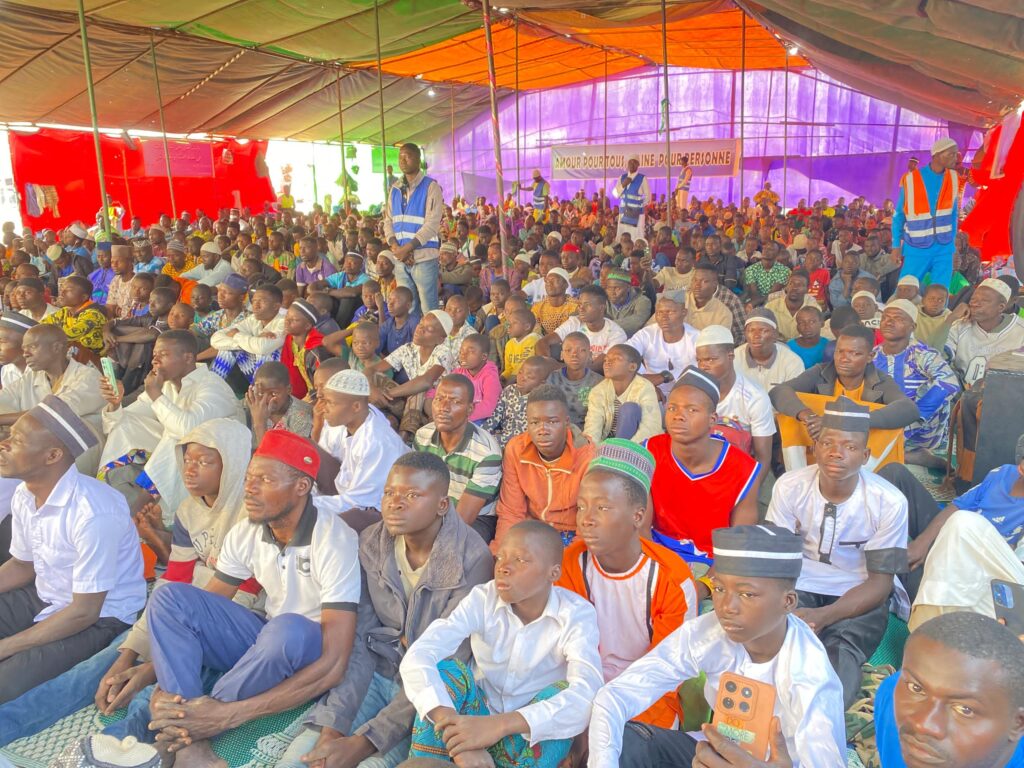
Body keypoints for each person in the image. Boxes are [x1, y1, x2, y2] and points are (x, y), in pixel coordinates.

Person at [144, 430, 360, 767]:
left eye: (265, 480)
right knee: (169, 598)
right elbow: (201, 614)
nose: (249, 488)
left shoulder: (334, 539)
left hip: (307, 651)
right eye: (248, 478)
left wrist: (228, 714)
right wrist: (155, 668)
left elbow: (334, 665)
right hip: (266, 641)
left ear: (301, 486)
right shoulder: (248, 531)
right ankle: (189, 736)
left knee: (287, 629)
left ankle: (194, 724)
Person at [279, 452, 494, 768]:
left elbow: (446, 664)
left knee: (369, 764)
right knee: (303, 756)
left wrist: (364, 743)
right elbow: (359, 640)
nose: (395, 503)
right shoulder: (372, 543)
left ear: (442, 505)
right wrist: (333, 729)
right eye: (389, 492)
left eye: (412, 495)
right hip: (375, 674)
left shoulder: (472, 559)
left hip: (427, 699)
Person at [588, 524, 847, 768]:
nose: (726, 607)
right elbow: (615, 697)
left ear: (788, 602)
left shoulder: (809, 675)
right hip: (715, 752)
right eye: (720, 589)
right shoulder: (709, 632)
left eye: (747, 594)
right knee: (628, 741)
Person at [400, 520, 604, 768]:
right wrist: (459, 734)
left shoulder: (576, 614)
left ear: (553, 573)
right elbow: (419, 655)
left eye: (520, 560)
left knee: (563, 694)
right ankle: (431, 762)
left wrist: (498, 726)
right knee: (447, 671)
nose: (503, 567)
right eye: (500, 557)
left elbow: (587, 693)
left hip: (526, 737)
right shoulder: (482, 599)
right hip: (474, 720)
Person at [0, 395, 145, 704]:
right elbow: (22, 565)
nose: (4, 445)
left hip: (99, 618)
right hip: (46, 595)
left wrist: (7, 646)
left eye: (17, 440)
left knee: (6, 685)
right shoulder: (24, 495)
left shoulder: (93, 512)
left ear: (52, 456)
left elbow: (83, 611)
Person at [767, 396, 908, 708]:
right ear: (815, 447)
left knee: (841, 652)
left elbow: (880, 583)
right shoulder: (789, 486)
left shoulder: (889, 501)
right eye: (828, 443)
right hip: (799, 583)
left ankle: (824, 724)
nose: (836, 453)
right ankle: (767, 718)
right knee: (779, 642)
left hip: (859, 591)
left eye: (850, 446)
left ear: (865, 456)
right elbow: (778, 560)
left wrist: (823, 617)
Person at [559, 439, 697, 736]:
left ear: (638, 516)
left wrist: (605, 722)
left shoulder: (671, 580)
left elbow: (665, 675)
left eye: (603, 507)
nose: (586, 520)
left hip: (646, 705)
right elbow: (564, 649)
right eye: (581, 506)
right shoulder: (570, 563)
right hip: (580, 690)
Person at [100, 330, 244, 517]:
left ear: (188, 358)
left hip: (219, 458)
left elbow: (187, 428)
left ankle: (139, 508)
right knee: (125, 424)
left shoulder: (211, 386)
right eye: (154, 355)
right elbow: (126, 418)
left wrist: (155, 394)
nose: (155, 361)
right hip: (180, 452)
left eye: (163, 354)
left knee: (178, 438)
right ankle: (112, 488)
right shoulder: (166, 385)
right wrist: (115, 403)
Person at [874, 612, 1024, 768]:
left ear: (1018, 724)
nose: (922, 725)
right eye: (916, 688)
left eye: (965, 709)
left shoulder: (891, 690)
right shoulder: (891, 692)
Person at [645, 367, 761, 567]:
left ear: (712, 420)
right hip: (657, 555)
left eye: (692, 410)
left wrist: (705, 582)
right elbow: (640, 527)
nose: (678, 416)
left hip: (714, 563)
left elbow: (739, 543)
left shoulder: (744, 469)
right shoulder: (650, 451)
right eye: (672, 408)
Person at [907, 435, 1024, 628]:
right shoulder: (1002, 474)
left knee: (964, 523)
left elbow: (1013, 580)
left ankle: (931, 626)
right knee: (896, 473)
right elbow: (958, 506)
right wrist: (922, 543)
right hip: (951, 549)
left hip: (983, 582)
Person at [771, 324, 920, 469]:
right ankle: (797, 472)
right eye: (840, 351)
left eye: (854, 353)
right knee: (792, 410)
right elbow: (778, 391)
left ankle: (861, 477)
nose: (844, 358)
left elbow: (909, 409)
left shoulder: (880, 381)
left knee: (889, 421)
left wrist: (840, 421)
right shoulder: (821, 372)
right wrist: (809, 416)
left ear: (870, 357)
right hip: (821, 446)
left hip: (859, 453)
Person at [494, 385, 596, 549]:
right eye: (535, 422)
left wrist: (573, 558)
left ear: (566, 423)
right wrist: (502, 551)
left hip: (571, 533)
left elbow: (588, 522)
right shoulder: (516, 449)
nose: (542, 430)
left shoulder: (588, 458)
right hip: (532, 529)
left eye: (552, 422)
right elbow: (511, 511)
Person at [0, 323, 105, 473]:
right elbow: (4, 398)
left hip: (81, 452)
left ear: (56, 347)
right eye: (24, 349)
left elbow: (53, 413)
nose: (25, 354)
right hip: (39, 450)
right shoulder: (31, 378)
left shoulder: (88, 377)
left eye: (32, 347)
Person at [316, 369, 410, 533]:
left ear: (356, 406)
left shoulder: (377, 442)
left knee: (337, 524)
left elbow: (358, 502)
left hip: (377, 508)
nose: (323, 408)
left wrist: (307, 504)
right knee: (306, 450)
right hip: (349, 489)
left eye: (331, 403)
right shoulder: (353, 417)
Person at [414, 374, 503, 543]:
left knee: (453, 546)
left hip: (477, 518)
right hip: (434, 508)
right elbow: (417, 487)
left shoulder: (486, 452)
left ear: (470, 409)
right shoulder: (423, 436)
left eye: (455, 402)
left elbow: (463, 518)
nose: (443, 408)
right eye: (439, 399)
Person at [873, 300, 959, 469]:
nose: (889, 322)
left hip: (921, 429)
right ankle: (910, 457)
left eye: (898, 318)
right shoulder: (873, 356)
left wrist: (913, 417)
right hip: (885, 425)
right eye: (885, 317)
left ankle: (902, 452)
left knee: (938, 389)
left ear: (913, 326)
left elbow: (949, 382)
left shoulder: (922, 354)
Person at [694, 325, 775, 469]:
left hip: (739, 466)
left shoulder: (755, 397)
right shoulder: (693, 392)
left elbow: (763, 457)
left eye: (711, 359)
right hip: (698, 463)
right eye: (699, 360)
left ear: (730, 356)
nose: (703, 366)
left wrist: (750, 484)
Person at [893, 137, 961, 290]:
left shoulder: (954, 178)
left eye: (956, 154)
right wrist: (896, 245)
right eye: (951, 154)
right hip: (916, 247)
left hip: (944, 247)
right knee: (906, 290)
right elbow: (899, 215)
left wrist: (952, 244)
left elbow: (953, 215)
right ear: (936, 155)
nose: (955, 158)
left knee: (941, 292)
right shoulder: (910, 179)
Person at [384, 143, 443, 315]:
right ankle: (414, 334)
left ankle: (433, 334)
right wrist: (395, 247)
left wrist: (407, 248)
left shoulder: (431, 187)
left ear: (418, 159)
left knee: (428, 308)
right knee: (407, 308)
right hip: (401, 259)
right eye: (400, 157)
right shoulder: (395, 189)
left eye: (408, 156)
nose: (403, 160)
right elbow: (388, 221)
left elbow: (432, 224)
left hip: (424, 258)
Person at [625, 290, 699, 398]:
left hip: (687, 394)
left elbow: (705, 371)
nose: (664, 317)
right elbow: (624, 354)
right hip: (651, 392)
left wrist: (666, 378)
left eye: (670, 312)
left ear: (684, 312)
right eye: (659, 312)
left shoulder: (696, 338)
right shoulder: (647, 334)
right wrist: (644, 381)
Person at [210, 283, 287, 385]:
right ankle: (212, 386)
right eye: (254, 301)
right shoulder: (253, 319)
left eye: (262, 301)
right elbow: (215, 339)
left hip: (279, 376)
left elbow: (263, 348)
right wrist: (252, 340)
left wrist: (237, 336)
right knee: (227, 350)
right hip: (255, 371)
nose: (255, 306)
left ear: (276, 306)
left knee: (265, 353)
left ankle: (259, 391)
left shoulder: (284, 322)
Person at [584, 344, 662, 444]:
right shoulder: (598, 391)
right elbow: (593, 426)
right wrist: (593, 448)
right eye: (606, 360)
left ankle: (619, 449)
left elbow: (650, 427)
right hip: (608, 444)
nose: (608, 363)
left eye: (616, 359)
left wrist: (624, 448)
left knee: (629, 409)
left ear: (632, 367)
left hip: (636, 444)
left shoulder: (645, 388)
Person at [539, 284, 626, 371]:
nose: (581, 308)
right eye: (580, 304)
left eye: (587, 305)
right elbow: (542, 343)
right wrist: (547, 363)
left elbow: (595, 366)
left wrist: (555, 367)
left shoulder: (616, 334)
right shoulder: (575, 322)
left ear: (602, 308)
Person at [733, 308, 805, 392]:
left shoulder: (792, 362)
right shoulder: (733, 360)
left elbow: (795, 397)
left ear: (775, 334)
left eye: (763, 330)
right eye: (751, 330)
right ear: (745, 334)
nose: (756, 336)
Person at [485, 355, 549, 448]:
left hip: (523, 441)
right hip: (503, 434)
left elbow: (527, 432)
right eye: (520, 372)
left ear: (541, 383)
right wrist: (483, 431)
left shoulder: (539, 401)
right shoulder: (509, 390)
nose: (522, 378)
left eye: (529, 377)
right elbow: (496, 415)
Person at [245, 360, 314, 446]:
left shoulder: (302, 418)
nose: (266, 399)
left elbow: (280, 455)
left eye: (273, 393)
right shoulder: (254, 405)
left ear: (289, 390)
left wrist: (260, 423)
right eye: (261, 393)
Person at [546, 331, 603, 429]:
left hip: (586, 431)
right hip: (558, 429)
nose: (574, 354)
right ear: (561, 355)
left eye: (581, 350)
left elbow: (598, 419)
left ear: (590, 355)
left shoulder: (598, 382)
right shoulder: (553, 379)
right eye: (568, 350)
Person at [43, 274, 107, 359]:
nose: (62, 293)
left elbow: (69, 335)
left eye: (69, 290)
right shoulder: (65, 311)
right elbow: (42, 325)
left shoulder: (93, 315)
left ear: (84, 297)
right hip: (79, 358)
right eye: (62, 289)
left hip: (98, 360)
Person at [280, 298, 331, 399]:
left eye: (294, 320)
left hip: (318, 396)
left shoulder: (316, 350)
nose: (287, 321)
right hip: (303, 393)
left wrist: (306, 401)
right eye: (287, 316)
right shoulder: (290, 339)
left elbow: (324, 386)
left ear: (307, 326)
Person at [452, 333, 501, 423]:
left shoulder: (490, 376)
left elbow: (488, 407)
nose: (463, 355)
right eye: (461, 351)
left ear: (484, 357)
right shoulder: (458, 372)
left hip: (484, 419)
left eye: (471, 352)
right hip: (461, 414)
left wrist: (460, 417)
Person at [765, 269, 818, 341]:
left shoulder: (813, 308)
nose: (794, 288)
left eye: (800, 285)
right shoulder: (770, 307)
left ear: (807, 289)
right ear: (786, 286)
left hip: (803, 344)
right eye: (791, 283)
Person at [605, 268, 653, 337]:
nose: (612, 293)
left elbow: (638, 320)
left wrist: (605, 326)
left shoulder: (642, 301)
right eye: (609, 288)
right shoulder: (603, 300)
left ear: (628, 287)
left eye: (617, 288)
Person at [613, 156, 651, 240]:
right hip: (623, 213)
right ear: (628, 164)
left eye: (635, 162)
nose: (632, 164)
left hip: (637, 214)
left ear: (638, 165)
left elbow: (648, 198)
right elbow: (615, 195)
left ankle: (639, 248)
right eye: (630, 162)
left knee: (636, 237)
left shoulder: (642, 178)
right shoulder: (622, 177)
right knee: (623, 236)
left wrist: (639, 205)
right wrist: (623, 185)